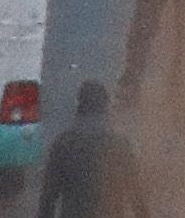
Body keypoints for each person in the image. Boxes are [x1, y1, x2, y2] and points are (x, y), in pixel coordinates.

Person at [39, 79, 148, 218]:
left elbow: (48, 198)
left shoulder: (63, 143)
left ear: (79, 106)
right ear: (105, 107)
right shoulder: (119, 144)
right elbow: (136, 196)